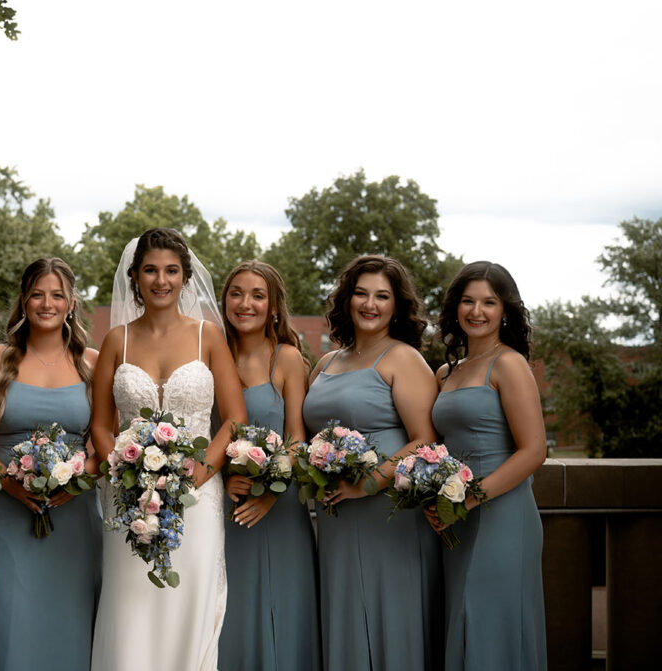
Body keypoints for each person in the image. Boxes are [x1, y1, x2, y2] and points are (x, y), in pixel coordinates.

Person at [90, 227, 247, 671]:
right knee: (130, 607)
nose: (161, 280)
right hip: (129, 499)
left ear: (185, 277)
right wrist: (123, 468)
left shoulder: (208, 337)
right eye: (151, 270)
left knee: (187, 604)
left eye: (171, 271)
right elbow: (102, 424)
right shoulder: (115, 341)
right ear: (135, 276)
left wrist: (198, 474)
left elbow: (234, 420)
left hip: (196, 498)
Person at [302, 254, 442, 671]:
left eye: (382, 296)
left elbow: (425, 439)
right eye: (361, 293)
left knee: (389, 614)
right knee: (343, 608)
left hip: (387, 512)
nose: (370, 304)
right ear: (347, 299)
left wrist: (366, 483)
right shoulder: (327, 362)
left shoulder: (403, 358)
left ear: (396, 305)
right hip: (335, 515)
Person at [0, 257, 102, 671]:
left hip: (74, 518)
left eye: (57, 295)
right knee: (12, 625)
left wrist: (76, 481)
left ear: (72, 302)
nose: (47, 303)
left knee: (74, 628)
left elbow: (103, 447)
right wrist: (9, 483)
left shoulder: (93, 363)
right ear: (24, 301)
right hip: (9, 515)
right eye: (38, 294)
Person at [430, 261, 547, 670]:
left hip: (502, 515)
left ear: (505, 311)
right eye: (467, 301)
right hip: (454, 516)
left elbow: (533, 451)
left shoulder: (510, 364)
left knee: (491, 624)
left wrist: (470, 500)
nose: (476, 311)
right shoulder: (446, 372)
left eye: (489, 302)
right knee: (462, 623)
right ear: (455, 308)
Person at [218, 260, 321, 671]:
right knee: (228, 615)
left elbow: (298, 437)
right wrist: (224, 477)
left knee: (283, 609)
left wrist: (271, 494)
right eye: (236, 293)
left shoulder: (288, 358)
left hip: (279, 509)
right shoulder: (210, 354)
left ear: (274, 307)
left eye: (258, 295)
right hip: (222, 508)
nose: (245, 303)